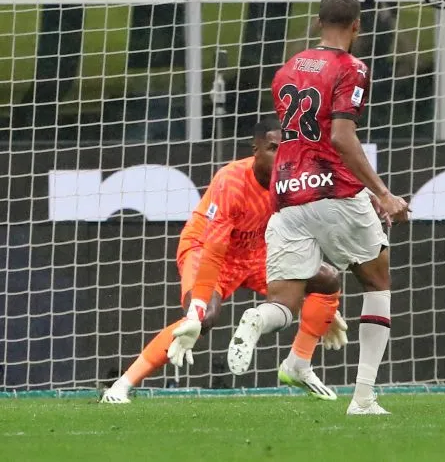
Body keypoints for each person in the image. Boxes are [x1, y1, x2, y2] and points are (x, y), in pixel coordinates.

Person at [226, 0, 409, 416]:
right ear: (357, 26)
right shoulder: (352, 68)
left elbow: (302, 137)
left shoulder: (287, 69)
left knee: (283, 301)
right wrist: (381, 193)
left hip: (288, 192)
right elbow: (341, 138)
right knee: (378, 284)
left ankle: (262, 323)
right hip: (333, 191)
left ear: (315, 22)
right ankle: (363, 398)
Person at [100, 118, 347, 404]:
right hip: (205, 249)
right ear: (256, 149)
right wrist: (197, 310)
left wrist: (321, 309)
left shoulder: (298, 183)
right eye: (274, 149)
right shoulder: (231, 181)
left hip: (258, 253)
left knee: (327, 280)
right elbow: (214, 249)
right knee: (202, 319)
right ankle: (121, 385)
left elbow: (303, 239)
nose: (284, 158)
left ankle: (299, 365)